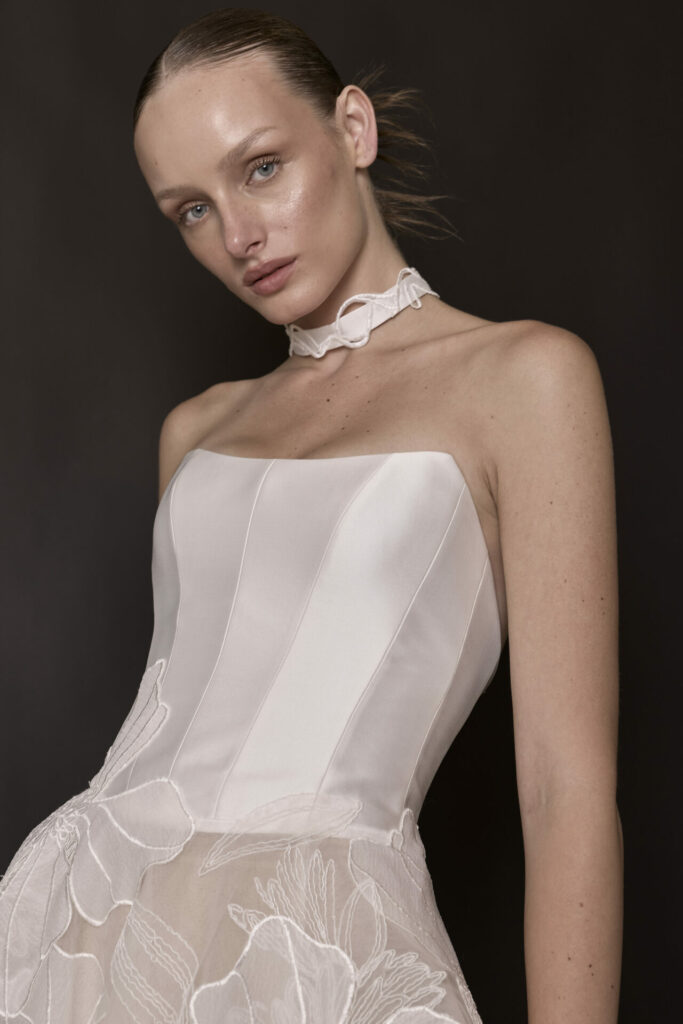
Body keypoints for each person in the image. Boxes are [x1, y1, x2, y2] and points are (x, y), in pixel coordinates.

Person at [0, 8, 623, 1023]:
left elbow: (562, 790)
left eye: (259, 169)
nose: (238, 237)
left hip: (316, 961)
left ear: (351, 128)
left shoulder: (524, 378)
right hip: (76, 943)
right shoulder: (195, 429)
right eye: (190, 210)